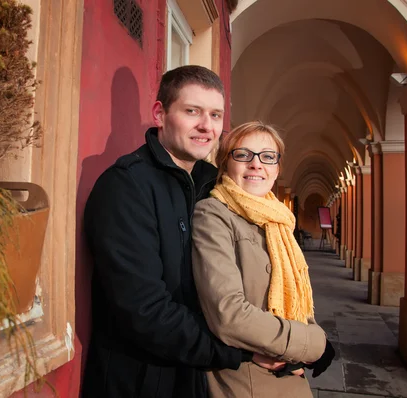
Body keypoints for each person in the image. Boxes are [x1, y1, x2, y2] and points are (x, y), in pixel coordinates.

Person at [82, 66, 270, 398]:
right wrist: (241, 351)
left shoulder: (216, 185)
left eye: (215, 115)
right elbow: (145, 311)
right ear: (160, 113)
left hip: (200, 379)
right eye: (192, 111)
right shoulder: (126, 186)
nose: (206, 126)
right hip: (140, 381)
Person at [192, 121, 335, 398]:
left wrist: (305, 342)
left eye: (267, 156)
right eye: (243, 154)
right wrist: (314, 344)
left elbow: (299, 301)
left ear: (277, 169)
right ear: (225, 164)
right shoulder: (213, 215)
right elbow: (229, 314)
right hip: (246, 383)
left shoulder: (279, 221)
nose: (256, 164)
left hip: (290, 374)